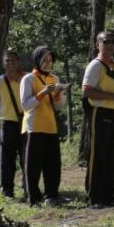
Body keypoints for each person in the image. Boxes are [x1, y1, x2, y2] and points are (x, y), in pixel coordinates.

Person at [82, 31, 114, 208]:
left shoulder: (112, 66)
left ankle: (109, 196)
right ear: (97, 45)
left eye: (113, 42)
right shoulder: (95, 66)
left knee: (112, 156)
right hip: (99, 114)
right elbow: (86, 91)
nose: (109, 45)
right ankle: (94, 198)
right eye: (106, 42)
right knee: (98, 155)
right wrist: (113, 96)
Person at [20, 46, 68, 206]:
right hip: (33, 127)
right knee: (32, 165)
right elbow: (25, 105)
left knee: (53, 164)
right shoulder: (28, 79)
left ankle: (52, 195)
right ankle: (33, 198)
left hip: (50, 126)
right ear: (36, 60)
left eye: (50, 60)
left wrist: (58, 94)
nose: (48, 63)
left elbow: (60, 106)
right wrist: (42, 93)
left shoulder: (54, 78)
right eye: (44, 60)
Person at [0, 48, 25, 198]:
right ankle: (7, 190)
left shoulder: (27, 78)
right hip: (7, 123)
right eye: (7, 60)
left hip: (26, 123)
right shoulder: (0, 80)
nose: (10, 63)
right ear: (3, 63)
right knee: (7, 159)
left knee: (27, 157)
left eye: (13, 60)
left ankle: (28, 187)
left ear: (18, 62)